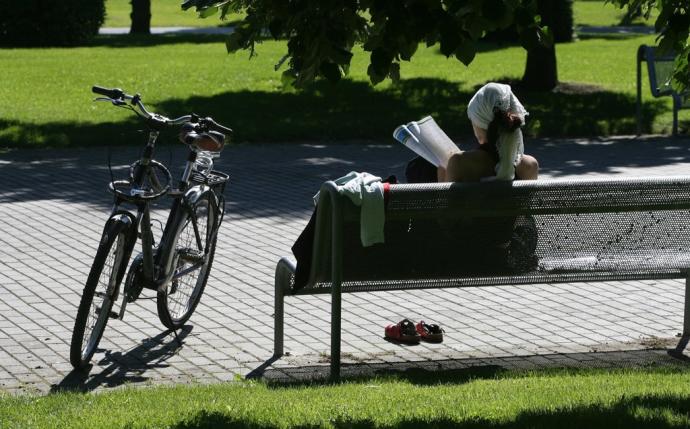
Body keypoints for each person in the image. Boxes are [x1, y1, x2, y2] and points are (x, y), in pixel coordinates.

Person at [437, 83, 539, 182]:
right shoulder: (530, 166)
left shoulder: (459, 163)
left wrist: (442, 172)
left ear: (479, 124)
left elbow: (446, 199)